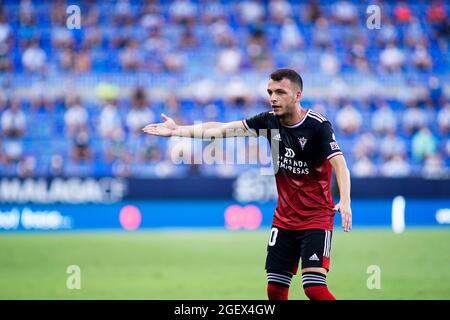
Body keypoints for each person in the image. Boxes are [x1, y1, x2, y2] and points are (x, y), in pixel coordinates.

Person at [142, 68, 352, 300]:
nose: (273, 97)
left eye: (280, 92)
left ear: (297, 95)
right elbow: (222, 129)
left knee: (313, 288)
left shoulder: (317, 125)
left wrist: (345, 200)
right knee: (275, 290)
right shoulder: (268, 121)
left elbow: (339, 163)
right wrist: (177, 131)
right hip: (284, 219)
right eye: (270, 92)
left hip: (315, 217)